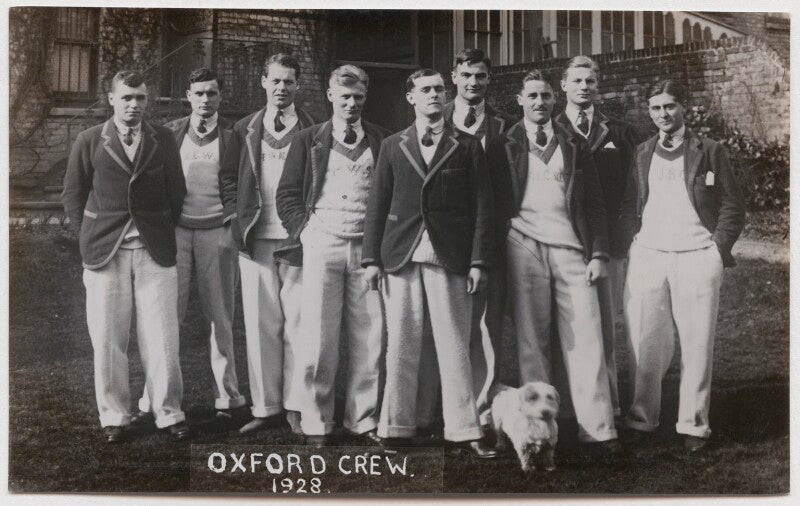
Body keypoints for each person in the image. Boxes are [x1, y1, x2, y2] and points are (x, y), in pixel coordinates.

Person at [362, 68, 497, 458]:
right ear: (411, 98)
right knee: (401, 344)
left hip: (450, 255)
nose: (434, 94)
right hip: (400, 255)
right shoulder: (392, 145)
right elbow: (377, 204)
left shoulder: (467, 145)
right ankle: (395, 427)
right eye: (425, 89)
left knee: (454, 343)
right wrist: (371, 259)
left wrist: (478, 261)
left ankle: (464, 428)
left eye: (439, 89)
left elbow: (483, 208)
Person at [485, 69, 621, 454]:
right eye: (531, 96)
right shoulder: (503, 143)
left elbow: (595, 202)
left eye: (545, 95)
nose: (539, 102)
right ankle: (536, 434)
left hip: (571, 247)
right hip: (523, 243)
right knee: (532, 339)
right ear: (519, 100)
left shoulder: (573, 142)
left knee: (586, 336)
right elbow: (492, 201)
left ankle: (598, 428)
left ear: (554, 98)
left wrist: (598, 252)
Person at [62, 69, 191, 443]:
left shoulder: (163, 138)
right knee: (107, 336)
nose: (134, 105)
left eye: (140, 98)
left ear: (147, 100)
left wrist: (158, 228)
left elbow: (176, 192)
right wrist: (88, 236)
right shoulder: (89, 139)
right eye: (127, 98)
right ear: (112, 99)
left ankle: (169, 412)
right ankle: (114, 416)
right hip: (105, 252)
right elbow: (72, 194)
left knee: (162, 334)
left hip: (154, 250)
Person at [620, 79, 745, 453]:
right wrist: (633, 242)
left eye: (669, 106)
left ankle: (693, 425)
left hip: (696, 255)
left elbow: (733, 206)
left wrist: (716, 249)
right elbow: (631, 203)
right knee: (645, 341)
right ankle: (642, 420)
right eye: (655, 108)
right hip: (649, 255)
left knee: (696, 343)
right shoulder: (642, 152)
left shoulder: (709, 151)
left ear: (683, 107)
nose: (663, 114)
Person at [276, 64, 390, 446]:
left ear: (366, 97)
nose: (351, 104)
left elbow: (390, 195)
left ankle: (362, 419)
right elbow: (286, 195)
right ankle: (317, 421)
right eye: (344, 97)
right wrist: (306, 232)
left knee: (369, 337)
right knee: (318, 337)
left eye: (358, 97)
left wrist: (377, 245)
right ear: (330, 96)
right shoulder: (308, 139)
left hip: (367, 249)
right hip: (322, 244)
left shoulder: (381, 140)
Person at [131, 68, 245, 425]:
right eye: (199, 93)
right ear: (188, 96)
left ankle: (227, 398)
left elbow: (241, 183)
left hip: (217, 233)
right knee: (167, 317)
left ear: (220, 96)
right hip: (176, 233)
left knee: (220, 318)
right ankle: (153, 399)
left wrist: (231, 225)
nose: (205, 99)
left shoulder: (234, 135)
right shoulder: (170, 132)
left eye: (211, 93)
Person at [411, 48, 515, 431]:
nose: (473, 82)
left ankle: (480, 409)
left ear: (489, 79)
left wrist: (490, 239)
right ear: (453, 77)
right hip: (441, 240)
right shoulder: (432, 117)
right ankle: (429, 408)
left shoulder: (504, 127)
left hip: (487, 237)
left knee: (484, 326)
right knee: (435, 327)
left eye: (481, 76)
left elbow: (506, 187)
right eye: (466, 75)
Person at [218, 53, 317, 434]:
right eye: (275, 80)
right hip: (256, 237)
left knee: (299, 324)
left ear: (298, 85)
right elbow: (228, 178)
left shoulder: (313, 127)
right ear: (263, 82)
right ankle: (265, 406)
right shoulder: (244, 128)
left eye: (289, 81)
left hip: (297, 238)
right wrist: (235, 216)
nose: (281, 88)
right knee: (261, 325)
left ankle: (296, 406)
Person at [554, 55, 640, 417]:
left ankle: (609, 405)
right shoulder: (549, 128)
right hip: (561, 238)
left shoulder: (618, 132)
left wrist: (621, 235)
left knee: (604, 323)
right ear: (563, 85)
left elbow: (633, 189)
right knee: (564, 324)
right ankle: (564, 404)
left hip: (607, 243)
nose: (583, 87)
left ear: (598, 85)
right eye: (576, 81)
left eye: (590, 81)